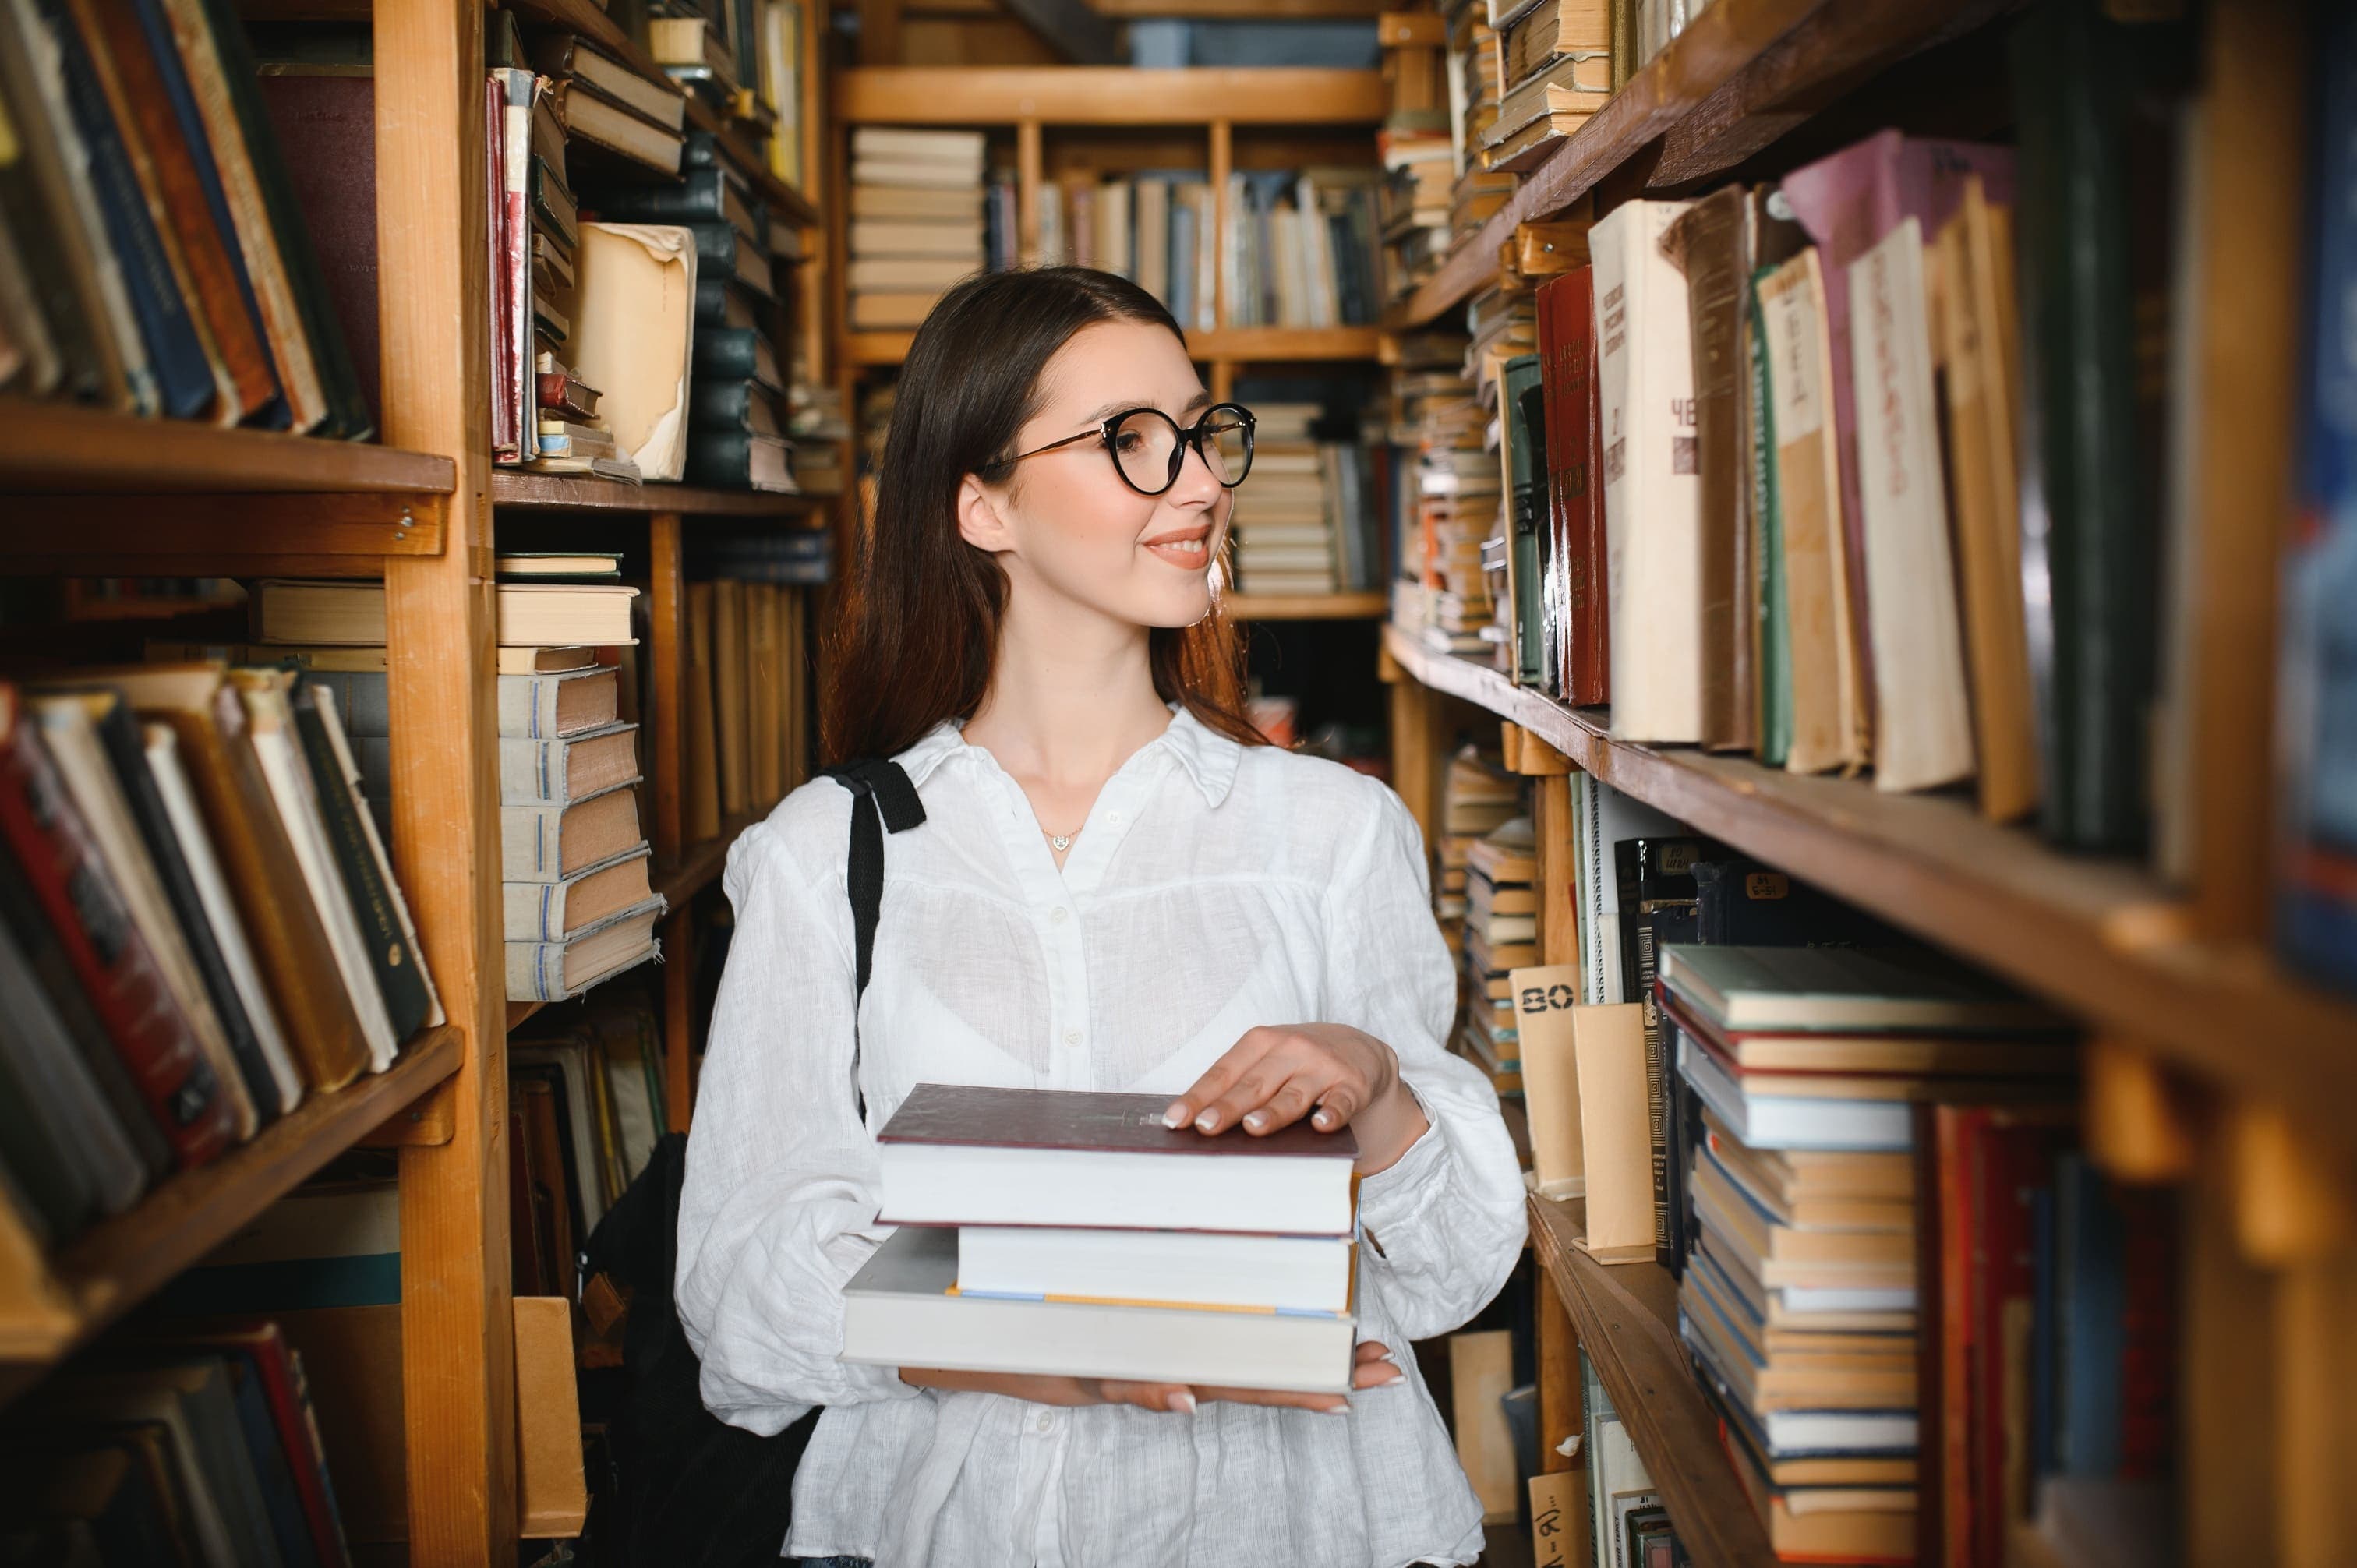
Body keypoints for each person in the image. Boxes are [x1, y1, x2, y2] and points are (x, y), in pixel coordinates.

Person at [675, 266, 1526, 1568]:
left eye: (1199, 432)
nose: (1198, 482)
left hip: (1301, 1528)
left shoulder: (1332, 834)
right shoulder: (820, 858)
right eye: (1130, 441)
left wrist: (1380, 1093)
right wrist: (1031, 1327)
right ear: (982, 505)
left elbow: (1452, 1276)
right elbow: (738, 1308)